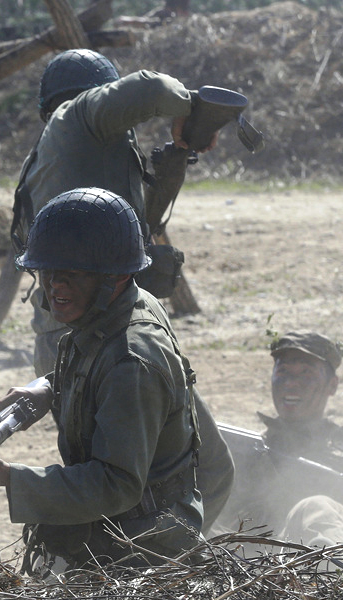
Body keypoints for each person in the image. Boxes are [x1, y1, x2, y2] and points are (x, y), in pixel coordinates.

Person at [0, 187, 230, 573]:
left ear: (115, 274)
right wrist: (49, 386)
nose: (55, 285)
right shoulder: (125, 305)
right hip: (130, 529)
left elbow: (115, 484)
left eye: (73, 273)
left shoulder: (133, 360)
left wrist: (9, 477)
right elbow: (98, 362)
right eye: (48, 271)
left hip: (143, 551)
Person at [13, 49, 216, 378]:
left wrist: (170, 173)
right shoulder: (83, 114)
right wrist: (194, 109)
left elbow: (127, 229)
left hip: (63, 333)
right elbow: (154, 89)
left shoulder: (48, 154)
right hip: (102, 337)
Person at [211, 332, 343, 546]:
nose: (290, 383)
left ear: (332, 386)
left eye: (306, 374)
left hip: (339, 559)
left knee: (317, 509)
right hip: (262, 563)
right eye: (283, 372)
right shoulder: (252, 450)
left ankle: (333, 574)